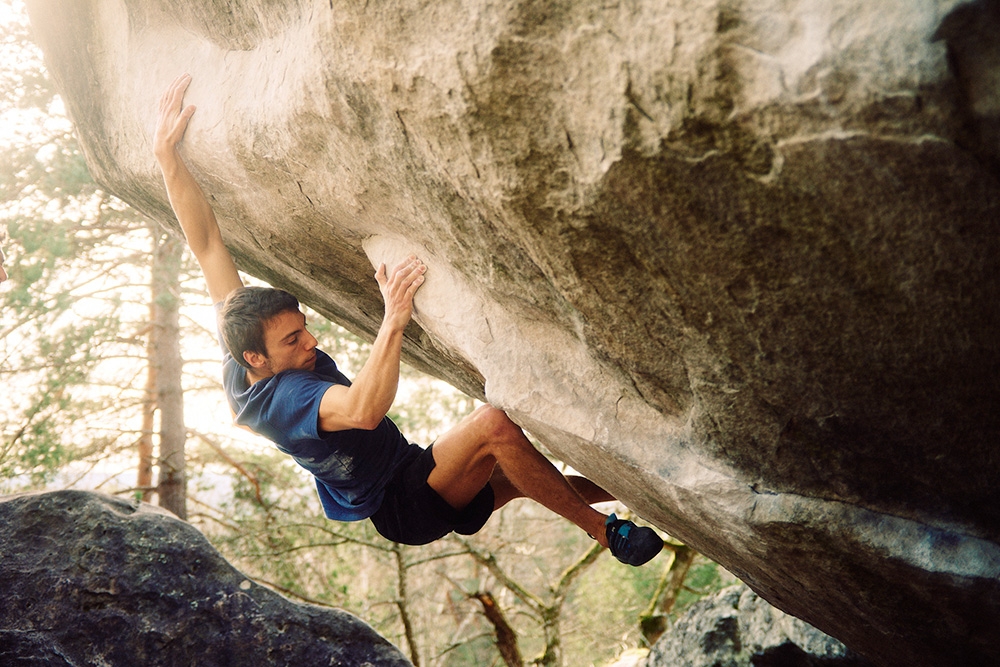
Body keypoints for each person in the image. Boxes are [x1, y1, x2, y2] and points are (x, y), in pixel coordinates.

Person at [153, 74, 663, 566]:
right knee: (494, 427)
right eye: (293, 339)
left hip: (414, 474)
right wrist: (393, 317)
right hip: (405, 502)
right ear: (256, 358)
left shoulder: (241, 343)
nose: (311, 340)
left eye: (304, 325)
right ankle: (606, 532)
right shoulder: (286, 399)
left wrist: (166, 159)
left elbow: (206, 245)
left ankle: (652, 490)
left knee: (529, 476)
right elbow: (362, 410)